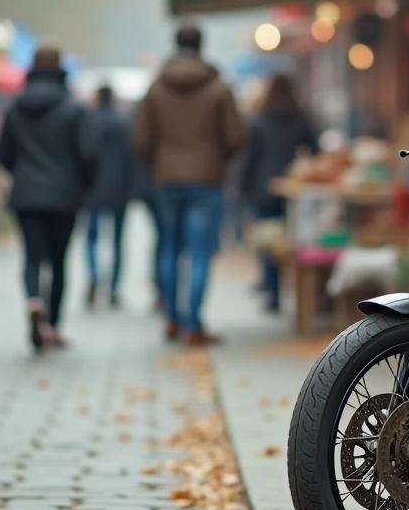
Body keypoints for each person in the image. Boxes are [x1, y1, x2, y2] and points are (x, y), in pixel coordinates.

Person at [132, 24, 244, 346]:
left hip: (167, 178)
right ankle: (193, 324)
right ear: (202, 46)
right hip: (207, 178)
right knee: (199, 252)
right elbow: (236, 136)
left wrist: (160, 161)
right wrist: (216, 158)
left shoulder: (157, 88)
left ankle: (171, 317)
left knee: (169, 247)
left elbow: (140, 137)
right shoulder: (219, 88)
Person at [0, 44, 97, 351]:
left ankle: (33, 300)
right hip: (64, 195)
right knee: (58, 260)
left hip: (26, 193)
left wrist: (22, 172)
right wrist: (83, 184)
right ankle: (52, 325)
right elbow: (88, 153)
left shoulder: (15, 106)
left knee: (32, 256)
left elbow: (2, 153)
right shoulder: (73, 108)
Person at [238, 73, 317, 313]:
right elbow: (314, 151)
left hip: (262, 188)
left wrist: (244, 190)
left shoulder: (258, 121)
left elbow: (249, 159)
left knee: (269, 240)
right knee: (293, 240)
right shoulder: (302, 119)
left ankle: (272, 291)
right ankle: (296, 289)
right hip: (293, 187)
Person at [83, 84, 133, 308]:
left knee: (91, 237)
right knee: (117, 241)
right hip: (119, 189)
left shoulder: (88, 121)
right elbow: (131, 158)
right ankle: (113, 288)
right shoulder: (123, 123)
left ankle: (94, 275)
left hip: (92, 189)